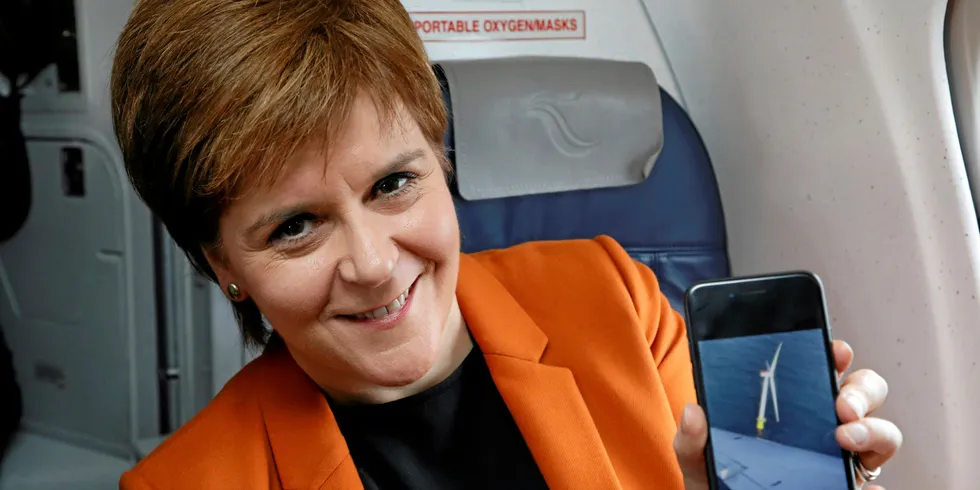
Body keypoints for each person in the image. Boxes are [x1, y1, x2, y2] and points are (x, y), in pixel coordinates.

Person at [110, 1, 903, 489]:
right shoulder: (185, 483)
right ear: (222, 265)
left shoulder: (610, 295)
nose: (374, 264)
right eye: (294, 227)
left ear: (441, 160)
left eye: (392, 184)